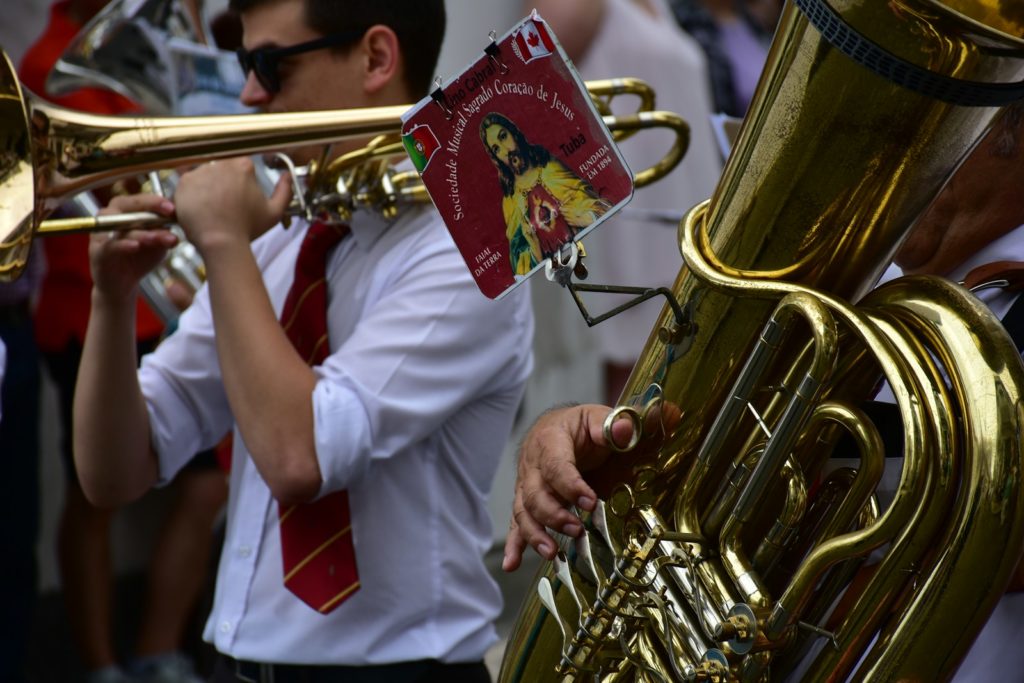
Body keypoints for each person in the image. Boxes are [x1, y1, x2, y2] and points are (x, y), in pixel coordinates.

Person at [73, 1, 535, 682]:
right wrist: (109, 302)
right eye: (245, 66)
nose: (249, 93)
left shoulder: (472, 246)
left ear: (377, 58)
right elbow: (115, 470)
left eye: (270, 65)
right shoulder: (288, 235)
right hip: (243, 662)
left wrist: (226, 243)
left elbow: (303, 453)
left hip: (399, 669)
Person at [502, 103, 1024, 682]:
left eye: (941, 125)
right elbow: (696, 435)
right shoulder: (864, 272)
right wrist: (581, 433)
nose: (896, 154)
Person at [19, 2, 228, 682]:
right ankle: (101, 665)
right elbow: (106, 178)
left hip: (158, 307)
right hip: (85, 307)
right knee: (94, 494)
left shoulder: (153, 49)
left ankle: (160, 648)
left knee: (206, 486)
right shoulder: (48, 63)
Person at [531, 0, 722, 405]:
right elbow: (534, 76)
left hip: (681, 212)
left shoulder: (662, 7)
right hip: (630, 224)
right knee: (634, 386)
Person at [480, 112, 612, 275]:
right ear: (496, 159)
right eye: (496, 149)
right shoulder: (509, 202)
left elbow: (601, 203)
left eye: (503, 137)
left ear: (514, 133)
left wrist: (587, 217)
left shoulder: (550, 168)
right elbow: (519, 266)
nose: (506, 150)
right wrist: (534, 247)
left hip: (598, 250)